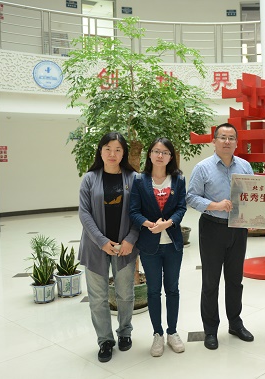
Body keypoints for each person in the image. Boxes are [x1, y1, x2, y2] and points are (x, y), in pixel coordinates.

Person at [186, 123, 255, 350]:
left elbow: (252, 196)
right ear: (214, 141)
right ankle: (210, 330)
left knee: (235, 280)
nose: (227, 141)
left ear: (236, 142)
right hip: (212, 228)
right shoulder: (202, 168)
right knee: (210, 282)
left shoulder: (245, 166)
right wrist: (215, 205)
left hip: (238, 228)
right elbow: (191, 197)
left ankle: (235, 323)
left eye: (231, 138)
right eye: (222, 137)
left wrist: (252, 218)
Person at [78, 132, 139, 363]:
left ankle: (125, 332)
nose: (112, 154)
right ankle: (105, 340)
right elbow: (84, 213)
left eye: (118, 150)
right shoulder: (90, 178)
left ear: (124, 153)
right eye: (108, 149)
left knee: (125, 294)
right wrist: (101, 241)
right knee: (97, 298)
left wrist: (130, 239)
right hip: (95, 247)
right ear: (100, 151)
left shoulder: (134, 178)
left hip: (125, 247)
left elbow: (140, 212)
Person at [129, 137, 187, 357]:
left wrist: (168, 223)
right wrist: (149, 224)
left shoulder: (178, 179)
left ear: (171, 157)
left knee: (172, 289)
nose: (160, 155)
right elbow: (134, 211)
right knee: (153, 291)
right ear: (150, 154)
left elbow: (181, 207)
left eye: (165, 152)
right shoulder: (139, 180)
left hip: (172, 244)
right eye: (156, 151)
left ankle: (172, 332)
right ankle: (158, 334)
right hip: (149, 245)